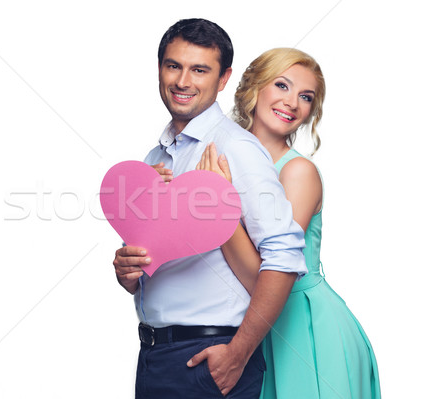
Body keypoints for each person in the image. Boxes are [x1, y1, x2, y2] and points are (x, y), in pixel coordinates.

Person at [112, 19, 307, 398]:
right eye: (174, 66)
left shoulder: (235, 148)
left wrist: (238, 354)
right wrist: (129, 272)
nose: (183, 81)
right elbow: (158, 257)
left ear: (223, 79)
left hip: (209, 357)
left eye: (199, 70)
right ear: (159, 68)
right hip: (154, 355)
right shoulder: (157, 156)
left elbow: (283, 256)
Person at [194, 48, 381, 398]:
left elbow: (264, 276)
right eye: (282, 85)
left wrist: (218, 206)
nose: (292, 102)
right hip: (254, 327)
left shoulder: (297, 173)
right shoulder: (218, 153)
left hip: (305, 328)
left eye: (306, 97)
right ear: (255, 87)